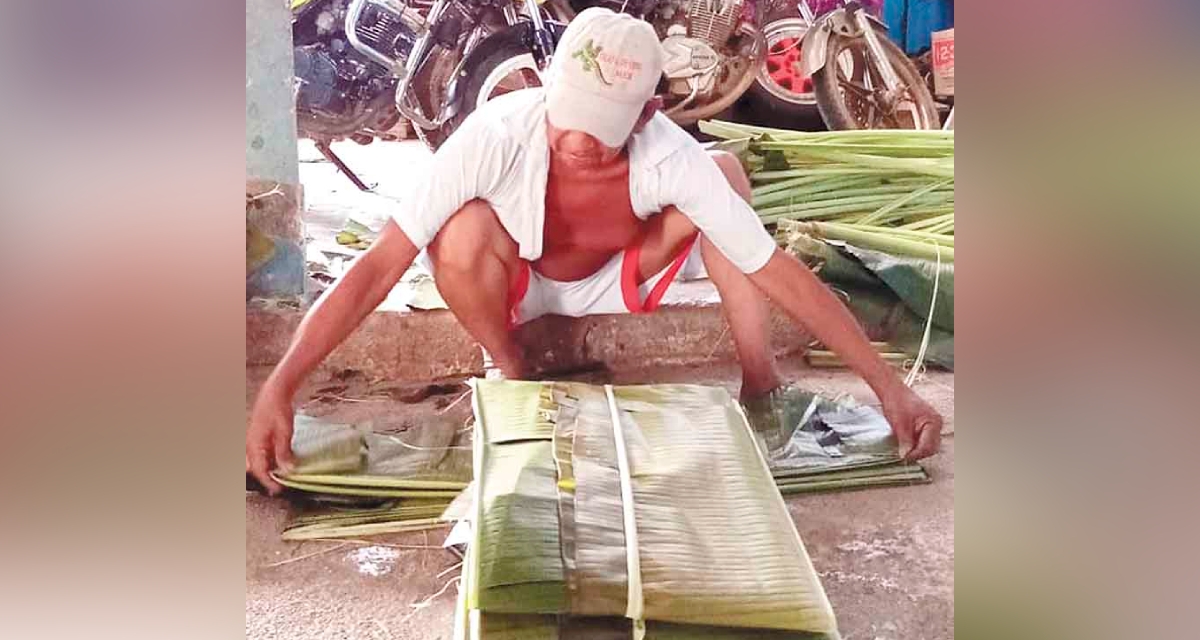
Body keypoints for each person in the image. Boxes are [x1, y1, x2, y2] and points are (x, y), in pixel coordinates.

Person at [246, 8, 942, 494]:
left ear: (645, 114)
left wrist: (891, 390)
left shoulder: (667, 153)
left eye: (600, 127)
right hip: (522, 277)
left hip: (622, 270)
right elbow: (377, 267)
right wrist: (281, 386)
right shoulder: (497, 131)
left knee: (726, 182)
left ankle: (760, 383)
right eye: (566, 116)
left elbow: (776, 271)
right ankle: (515, 363)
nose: (575, 139)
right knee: (456, 232)